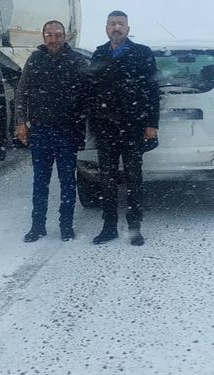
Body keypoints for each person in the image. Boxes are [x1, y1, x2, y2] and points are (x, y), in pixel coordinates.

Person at [87, 10, 160, 246]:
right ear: (106, 28)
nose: (116, 28)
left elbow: (152, 91)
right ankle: (109, 226)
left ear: (127, 29)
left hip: (133, 126)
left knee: (133, 178)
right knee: (106, 179)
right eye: (112, 24)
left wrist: (152, 123)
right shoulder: (99, 53)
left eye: (120, 24)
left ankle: (134, 227)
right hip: (105, 127)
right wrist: (93, 123)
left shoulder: (142, 53)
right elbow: (91, 91)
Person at [15, 20, 88, 242]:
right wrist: (20, 122)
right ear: (43, 36)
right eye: (49, 35)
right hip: (40, 131)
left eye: (57, 35)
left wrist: (82, 127)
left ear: (65, 36)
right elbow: (22, 92)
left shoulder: (76, 61)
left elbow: (87, 96)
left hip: (68, 131)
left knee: (67, 181)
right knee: (40, 181)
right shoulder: (35, 60)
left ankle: (66, 226)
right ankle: (37, 226)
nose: (53, 39)